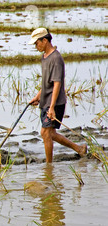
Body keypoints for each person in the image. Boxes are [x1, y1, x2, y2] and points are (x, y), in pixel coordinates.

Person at [28, 27, 87, 163]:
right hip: (46, 100)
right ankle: (79, 149)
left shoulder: (56, 58)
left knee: (46, 133)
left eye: (37, 43)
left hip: (54, 102)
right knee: (51, 133)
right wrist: (38, 96)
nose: (36, 46)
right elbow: (46, 82)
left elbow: (56, 84)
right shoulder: (44, 57)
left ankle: (49, 167)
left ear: (44, 40)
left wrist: (52, 107)